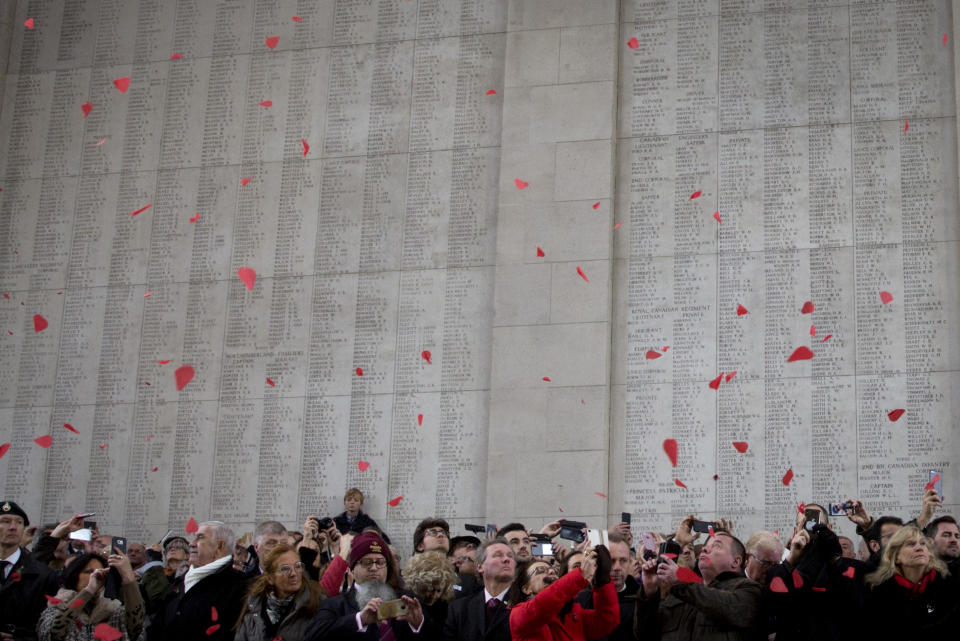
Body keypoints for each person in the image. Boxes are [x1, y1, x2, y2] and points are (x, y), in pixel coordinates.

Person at [635, 531, 762, 641]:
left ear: (736, 561)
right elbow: (646, 635)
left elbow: (726, 606)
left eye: (716, 546)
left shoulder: (749, 589)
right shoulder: (680, 594)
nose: (704, 549)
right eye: (705, 546)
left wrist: (680, 583)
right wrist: (649, 594)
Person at [305, 530, 423, 640]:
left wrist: (419, 624)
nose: (374, 568)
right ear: (352, 569)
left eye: (380, 562)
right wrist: (359, 620)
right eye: (367, 562)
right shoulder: (334, 605)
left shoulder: (407, 600)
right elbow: (313, 636)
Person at [147, 521, 247, 641]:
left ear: (220, 546)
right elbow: (158, 625)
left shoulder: (239, 586)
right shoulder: (180, 582)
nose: (191, 543)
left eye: (200, 538)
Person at [864, 525, 960, 636]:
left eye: (923, 544)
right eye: (911, 544)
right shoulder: (880, 592)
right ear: (896, 557)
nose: (919, 548)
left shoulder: (949, 584)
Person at [508, 546, 617, 641]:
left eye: (553, 571)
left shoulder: (574, 615)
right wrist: (581, 573)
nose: (551, 572)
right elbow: (544, 604)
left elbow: (606, 621)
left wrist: (602, 581)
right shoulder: (519, 614)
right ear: (526, 588)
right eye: (540, 570)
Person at [37, 551, 145, 641]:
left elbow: (136, 629)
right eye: (88, 572)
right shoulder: (57, 607)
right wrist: (89, 590)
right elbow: (53, 634)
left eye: (101, 572)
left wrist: (128, 578)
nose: (96, 576)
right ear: (75, 576)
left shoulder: (113, 610)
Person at [235, 544, 323, 641]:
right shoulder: (254, 607)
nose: (294, 573)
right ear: (270, 578)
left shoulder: (317, 604)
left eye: (298, 566)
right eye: (285, 569)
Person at [0, 500, 58, 641]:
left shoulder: (43, 575)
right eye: (6, 521)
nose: (13, 527)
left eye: (19, 522)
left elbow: (48, 625)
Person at [443, 538, 515, 641]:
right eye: (498, 555)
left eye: (510, 556)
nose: (506, 559)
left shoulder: (526, 604)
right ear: (480, 566)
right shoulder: (459, 609)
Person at [575, 534, 637, 641]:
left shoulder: (642, 598)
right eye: (611, 561)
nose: (617, 567)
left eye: (623, 560)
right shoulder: (582, 599)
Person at [402, 550, 457, 637]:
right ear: (418, 585)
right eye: (430, 590)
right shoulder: (406, 602)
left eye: (438, 591)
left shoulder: (445, 607)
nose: (434, 596)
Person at [140, 537, 189, 615]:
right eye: (169, 548)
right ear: (165, 555)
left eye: (178, 547)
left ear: (187, 555)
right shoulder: (154, 571)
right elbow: (154, 597)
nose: (172, 549)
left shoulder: (191, 572)